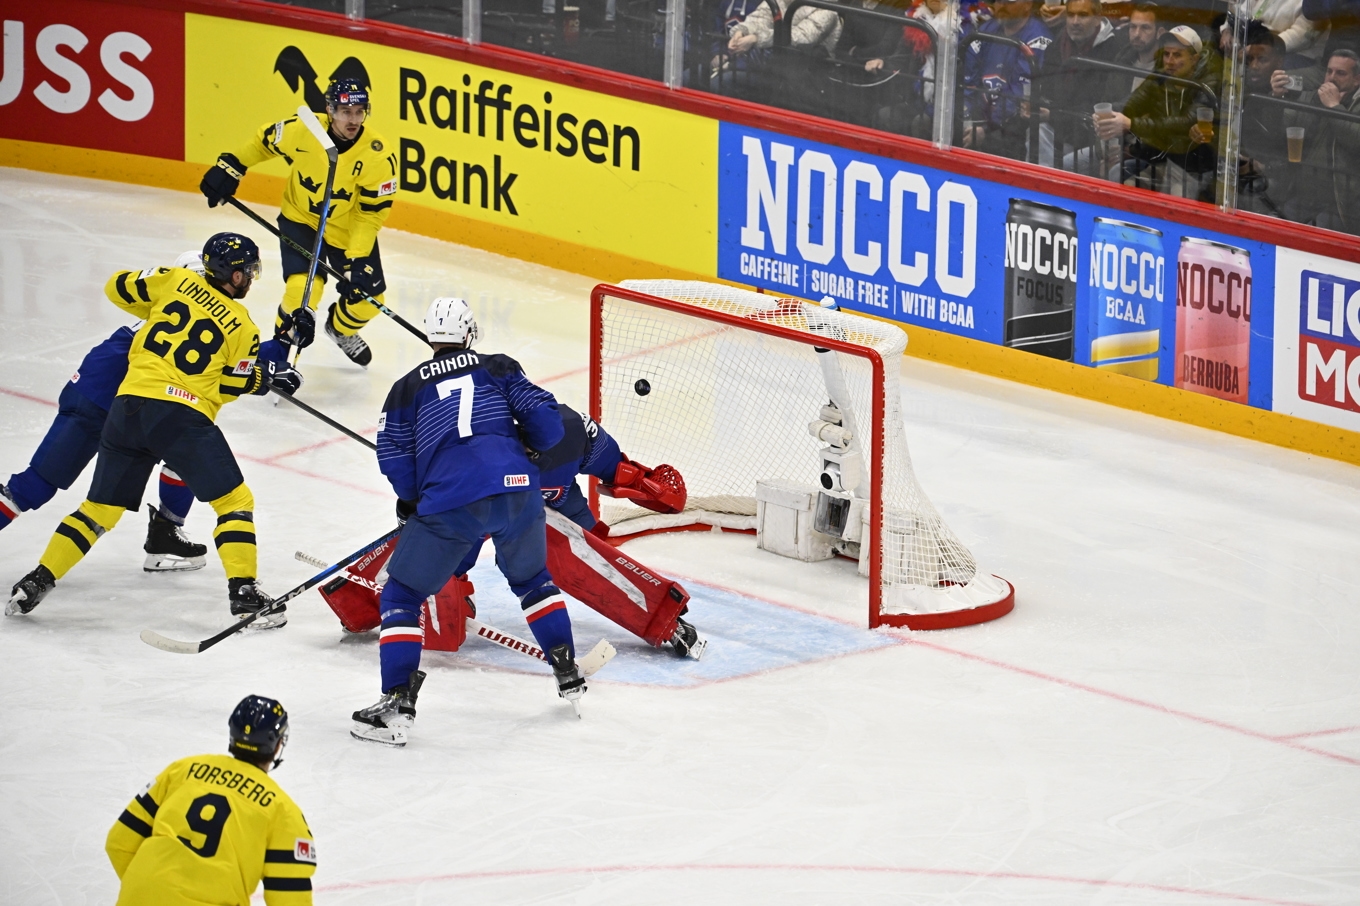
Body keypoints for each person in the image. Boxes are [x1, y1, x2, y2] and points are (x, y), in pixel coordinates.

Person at [6, 234, 302, 624]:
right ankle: (244, 593)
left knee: (98, 510)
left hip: (126, 408)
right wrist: (262, 378)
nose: (249, 278)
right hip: (179, 415)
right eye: (247, 272)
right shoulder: (243, 326)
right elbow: (228, 387)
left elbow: (117, 287)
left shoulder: (173, 281)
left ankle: (38, 579)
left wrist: (155, 294)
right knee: (234, 502)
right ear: (232, 275)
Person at [352, 297, 578, 746]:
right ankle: (568, 671)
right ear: (469, 334)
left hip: (452, 500)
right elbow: (549, 424)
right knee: (534, 581)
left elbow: (394, 457)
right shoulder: (497, 366)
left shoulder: (405, 388)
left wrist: (414, 499)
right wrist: (529, 449)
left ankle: (397, 704)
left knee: (402, 595)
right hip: (518, 491)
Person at [0, 251, 207, 572]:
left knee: (188, 453)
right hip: (113, 398)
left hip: (106, 389)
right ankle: (165, 532)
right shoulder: (203, 317)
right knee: (37, 486)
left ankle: (165, 533)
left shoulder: (169, 301)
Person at [200, 78, 398, 368]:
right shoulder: (304, 130)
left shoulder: (378, 156)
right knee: (303, 288)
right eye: (346, 112)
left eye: (359, 112)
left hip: (346, 230)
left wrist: (356, 261)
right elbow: (264, 140)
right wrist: (233, 166)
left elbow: (370, 214)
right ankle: (279, 355)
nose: (353, 120)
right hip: (300, 219)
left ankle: (340, 329)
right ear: (330, 110)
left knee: (368, 299)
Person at [106, 695, 316, 905]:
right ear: (278, 745)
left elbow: (119, 842)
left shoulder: (182, 770)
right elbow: (291, 900)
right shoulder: (282, 810)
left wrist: (154, 894)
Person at [1094, 25, 1222, 198]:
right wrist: (1109, 115)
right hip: (1162, 159)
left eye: (1177, 55)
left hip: (1194, 166)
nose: (1169, 61)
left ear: (1194, 59)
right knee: (1124, 184)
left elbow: (1186, 122)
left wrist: (1131, 124)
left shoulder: (1209, 82)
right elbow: (1133, 102)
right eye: (1166, 54)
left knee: (1176, 201)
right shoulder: (1161, 76)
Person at [960, 0, 1054, 159]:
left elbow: (1019, 94)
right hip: (982, 119)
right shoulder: (985, 30)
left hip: (1014, 125)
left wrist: (986, 129)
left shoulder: (1038, 38)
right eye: (999, 1)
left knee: (995, 144)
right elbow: (969, 79)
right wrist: (967, 118)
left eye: (1009, 1)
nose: (1002, 6)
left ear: (1028, 4)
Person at [1037, 0, 1125, 159]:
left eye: (1083, 15)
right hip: (1057, 128)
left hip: (1090, 139)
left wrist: (1052, 115)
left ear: (1098, 18)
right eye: (1071, 15)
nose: (1075, 22)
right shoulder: (1057, 44)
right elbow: (1046, 90)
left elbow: (1097, 106)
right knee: (1035, 132)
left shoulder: (1114, 52)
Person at [1284, 49, 1360, 232]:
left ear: (1356, 80)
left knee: (1313, 235)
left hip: (1341, 203)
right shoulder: (1312, 97)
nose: (1332, 78)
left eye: (1340, 73)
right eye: (1329, 71)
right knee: (1274, 225)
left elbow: (1356, 141)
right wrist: (1277, 96)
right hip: (1304, 194)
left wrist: (1334, 107)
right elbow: (1281, 131)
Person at [1112, 2, 1165, 97]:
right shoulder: (1121, 59)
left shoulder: (1168, 66)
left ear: (1159, 32)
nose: (1136, 34)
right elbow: (1109, 99)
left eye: (1145, 28)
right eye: (1133, 27)